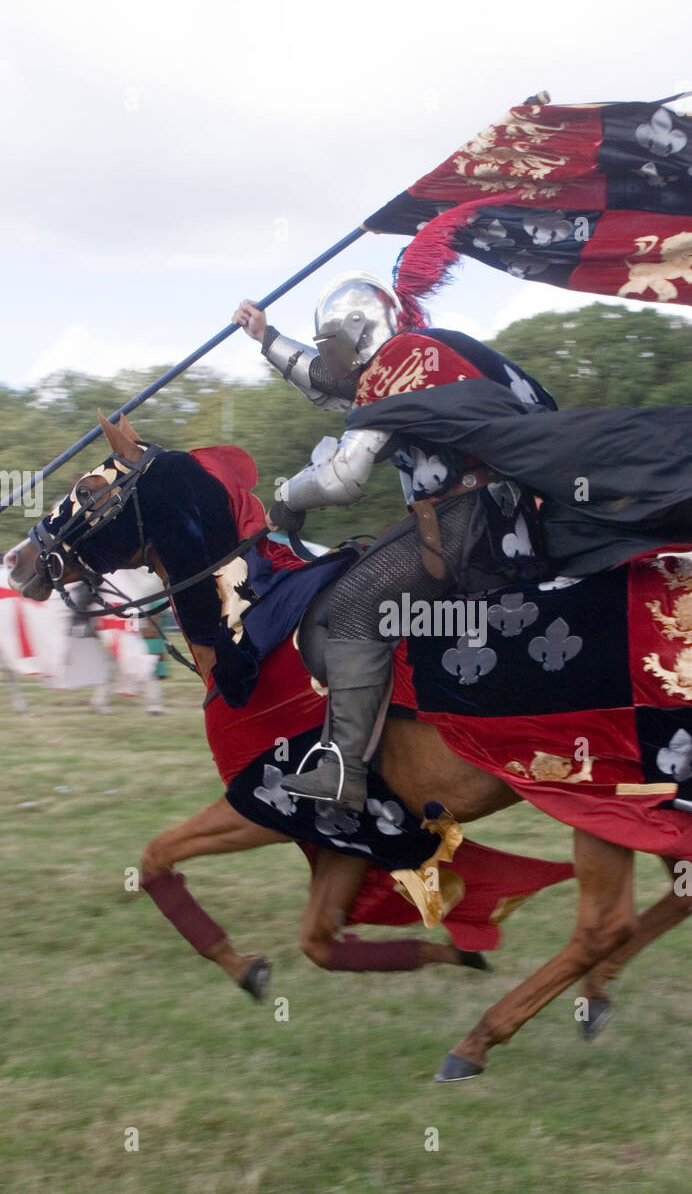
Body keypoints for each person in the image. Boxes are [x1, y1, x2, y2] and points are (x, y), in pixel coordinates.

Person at [232, 272, 554, 811]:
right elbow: (330, 386)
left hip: (466, 520)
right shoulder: (420, 361)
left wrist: (287, 496)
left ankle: (343, 771)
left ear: (357, 331)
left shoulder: (398, 363)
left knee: (355, 604)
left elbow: (342, 477)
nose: (329, 358)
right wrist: (266, 337)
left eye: (332, 344)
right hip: (501, 519)